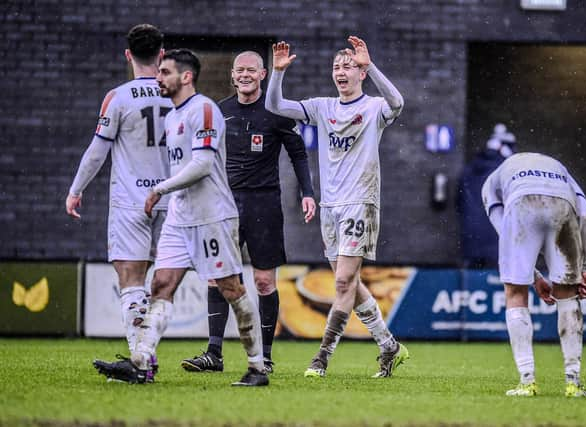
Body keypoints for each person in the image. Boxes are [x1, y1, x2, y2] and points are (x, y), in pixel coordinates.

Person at [93, 49, 268, 387]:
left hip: (212, 216)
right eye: (159, 72)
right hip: (179, 217)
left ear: (186, 77)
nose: (159, 78)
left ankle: (257, 367)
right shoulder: (172, 117)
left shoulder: (204, 110)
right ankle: (141, 362)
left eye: (166, 73)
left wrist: (159, 188)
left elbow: (202, 165)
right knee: (161, 284)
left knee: (232, 289)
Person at [265, 36, 409, 378]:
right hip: (330, 206)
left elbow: (398, 102)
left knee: (343, 281)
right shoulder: (322, 107)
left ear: (359, 73)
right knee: (350, 282)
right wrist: (278, 73)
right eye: (336, 67)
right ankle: (388, 345)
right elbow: (275, 106)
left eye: (348, 66)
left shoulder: (374, 108)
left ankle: (322, 356)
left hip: (361, 200)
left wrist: (370, 64)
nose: (340, 72)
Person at [180, 51, 316, 374]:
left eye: (250, 70)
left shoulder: (277, 112)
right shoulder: (219, 112)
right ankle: (214, 354)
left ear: (262, 74)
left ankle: (265, 358)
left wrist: (308, 193)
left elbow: (298, 154)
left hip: (264, 205)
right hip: (225, 204)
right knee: (218, 278)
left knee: (264, 282)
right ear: (232, 75)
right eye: (239, 70)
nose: (244, 75)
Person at [65, 24, 171, 361]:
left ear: (128, 55)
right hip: (172, 200)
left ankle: (142, 358)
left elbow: (98, 151)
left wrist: (76, 189)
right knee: (167, 283)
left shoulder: (119, 97)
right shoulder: (178, 94)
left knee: (131, 279)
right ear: (162, 54)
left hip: (132, 201)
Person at [481, 152, 586, 397]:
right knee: (568, 297)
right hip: (561, 205)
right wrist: (585, 268)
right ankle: (573, 382)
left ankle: (527, 381)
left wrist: (532, 278)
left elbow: (505, 232)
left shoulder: (492, 181)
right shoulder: (561, 168)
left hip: (520, 202)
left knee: (515, 293)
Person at [457, 123, 516, 268]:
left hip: (471, 244)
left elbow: (459, 203)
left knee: (472, 284)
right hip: (500, 245)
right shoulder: (508, 171)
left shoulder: (469, 170)